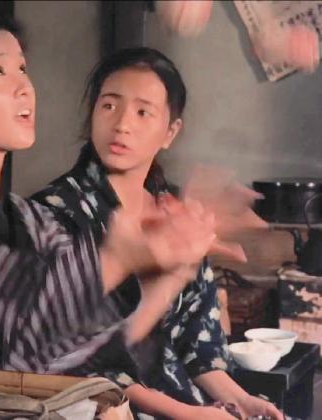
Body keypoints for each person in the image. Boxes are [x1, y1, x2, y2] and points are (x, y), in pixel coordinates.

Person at [0, 2, 217, 377]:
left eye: (22, 69)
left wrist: (171, 272)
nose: (24, 88)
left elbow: (100, 353)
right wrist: (117, 259)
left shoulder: (31, 219)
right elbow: (4, 333)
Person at [31, 47, 283, 420]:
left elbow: (197, 337)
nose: (122, 124)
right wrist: (186, 414)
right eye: (109, 105)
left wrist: (240, 400)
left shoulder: (175, 210)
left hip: (188, 399)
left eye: (142, 112)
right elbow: (76, 359)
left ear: (170, 132)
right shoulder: (53, 212)